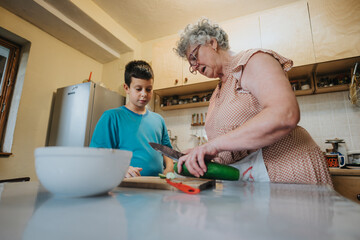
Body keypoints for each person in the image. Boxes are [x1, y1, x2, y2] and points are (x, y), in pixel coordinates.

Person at [174, 18, 332, 185]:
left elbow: (285, 114)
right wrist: (202, 154)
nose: (195, 66)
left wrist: (213, 145)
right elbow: (227, 144)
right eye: (191, 65)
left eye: (194, 57)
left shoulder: (252, 60)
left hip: (288, 168)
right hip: (250, 180)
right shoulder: (217, 93)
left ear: (212, 43)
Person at [90, 60, 174, 178]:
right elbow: (98, 155)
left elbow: (167, 150)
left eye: (148, 89)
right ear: (127, 88)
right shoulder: (111, 117)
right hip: (124, 185)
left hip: (156, 184)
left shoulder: (159, 120)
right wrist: (120, 168)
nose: (144, 94)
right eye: (138, 89)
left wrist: (169, 168)